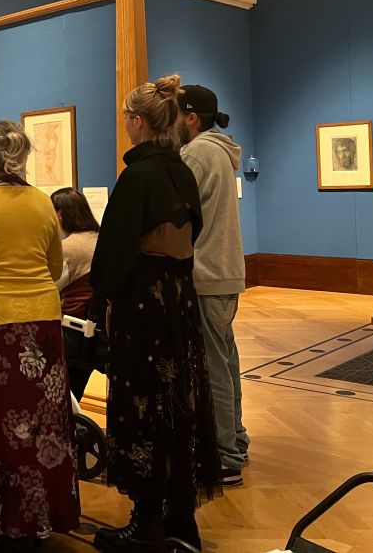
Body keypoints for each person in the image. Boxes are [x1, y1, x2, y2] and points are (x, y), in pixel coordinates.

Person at [90, 75, 221, 553]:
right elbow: (193, 237)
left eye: (126, 118)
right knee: (177, 407)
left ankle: (145, 520)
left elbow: (113, 257)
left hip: (143, 308)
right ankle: (180, 517)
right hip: (178, 302)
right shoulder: (180, 172)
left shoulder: (137, 177)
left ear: (137, 122)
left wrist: (102, 297)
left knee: (141, 406)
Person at [0, 120, 80, 552]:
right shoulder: (43, 203)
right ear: (23, 156)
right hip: (42, 321)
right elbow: (56, 267)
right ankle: (45, 516)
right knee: (44, 423)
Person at [177, 85, 250, 486]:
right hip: (224, 271)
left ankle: (225, 455)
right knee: (225, 358)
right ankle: (235, 438)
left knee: (213, 366)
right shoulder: (220, 149)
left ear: (191, 118)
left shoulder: (197, 153)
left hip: (206, 273)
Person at [49, 187, 100, 401]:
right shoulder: (101, 237)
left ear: (60, 213)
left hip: (71, 332)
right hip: (97, 332)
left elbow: (50, 287)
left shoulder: (69, 249)